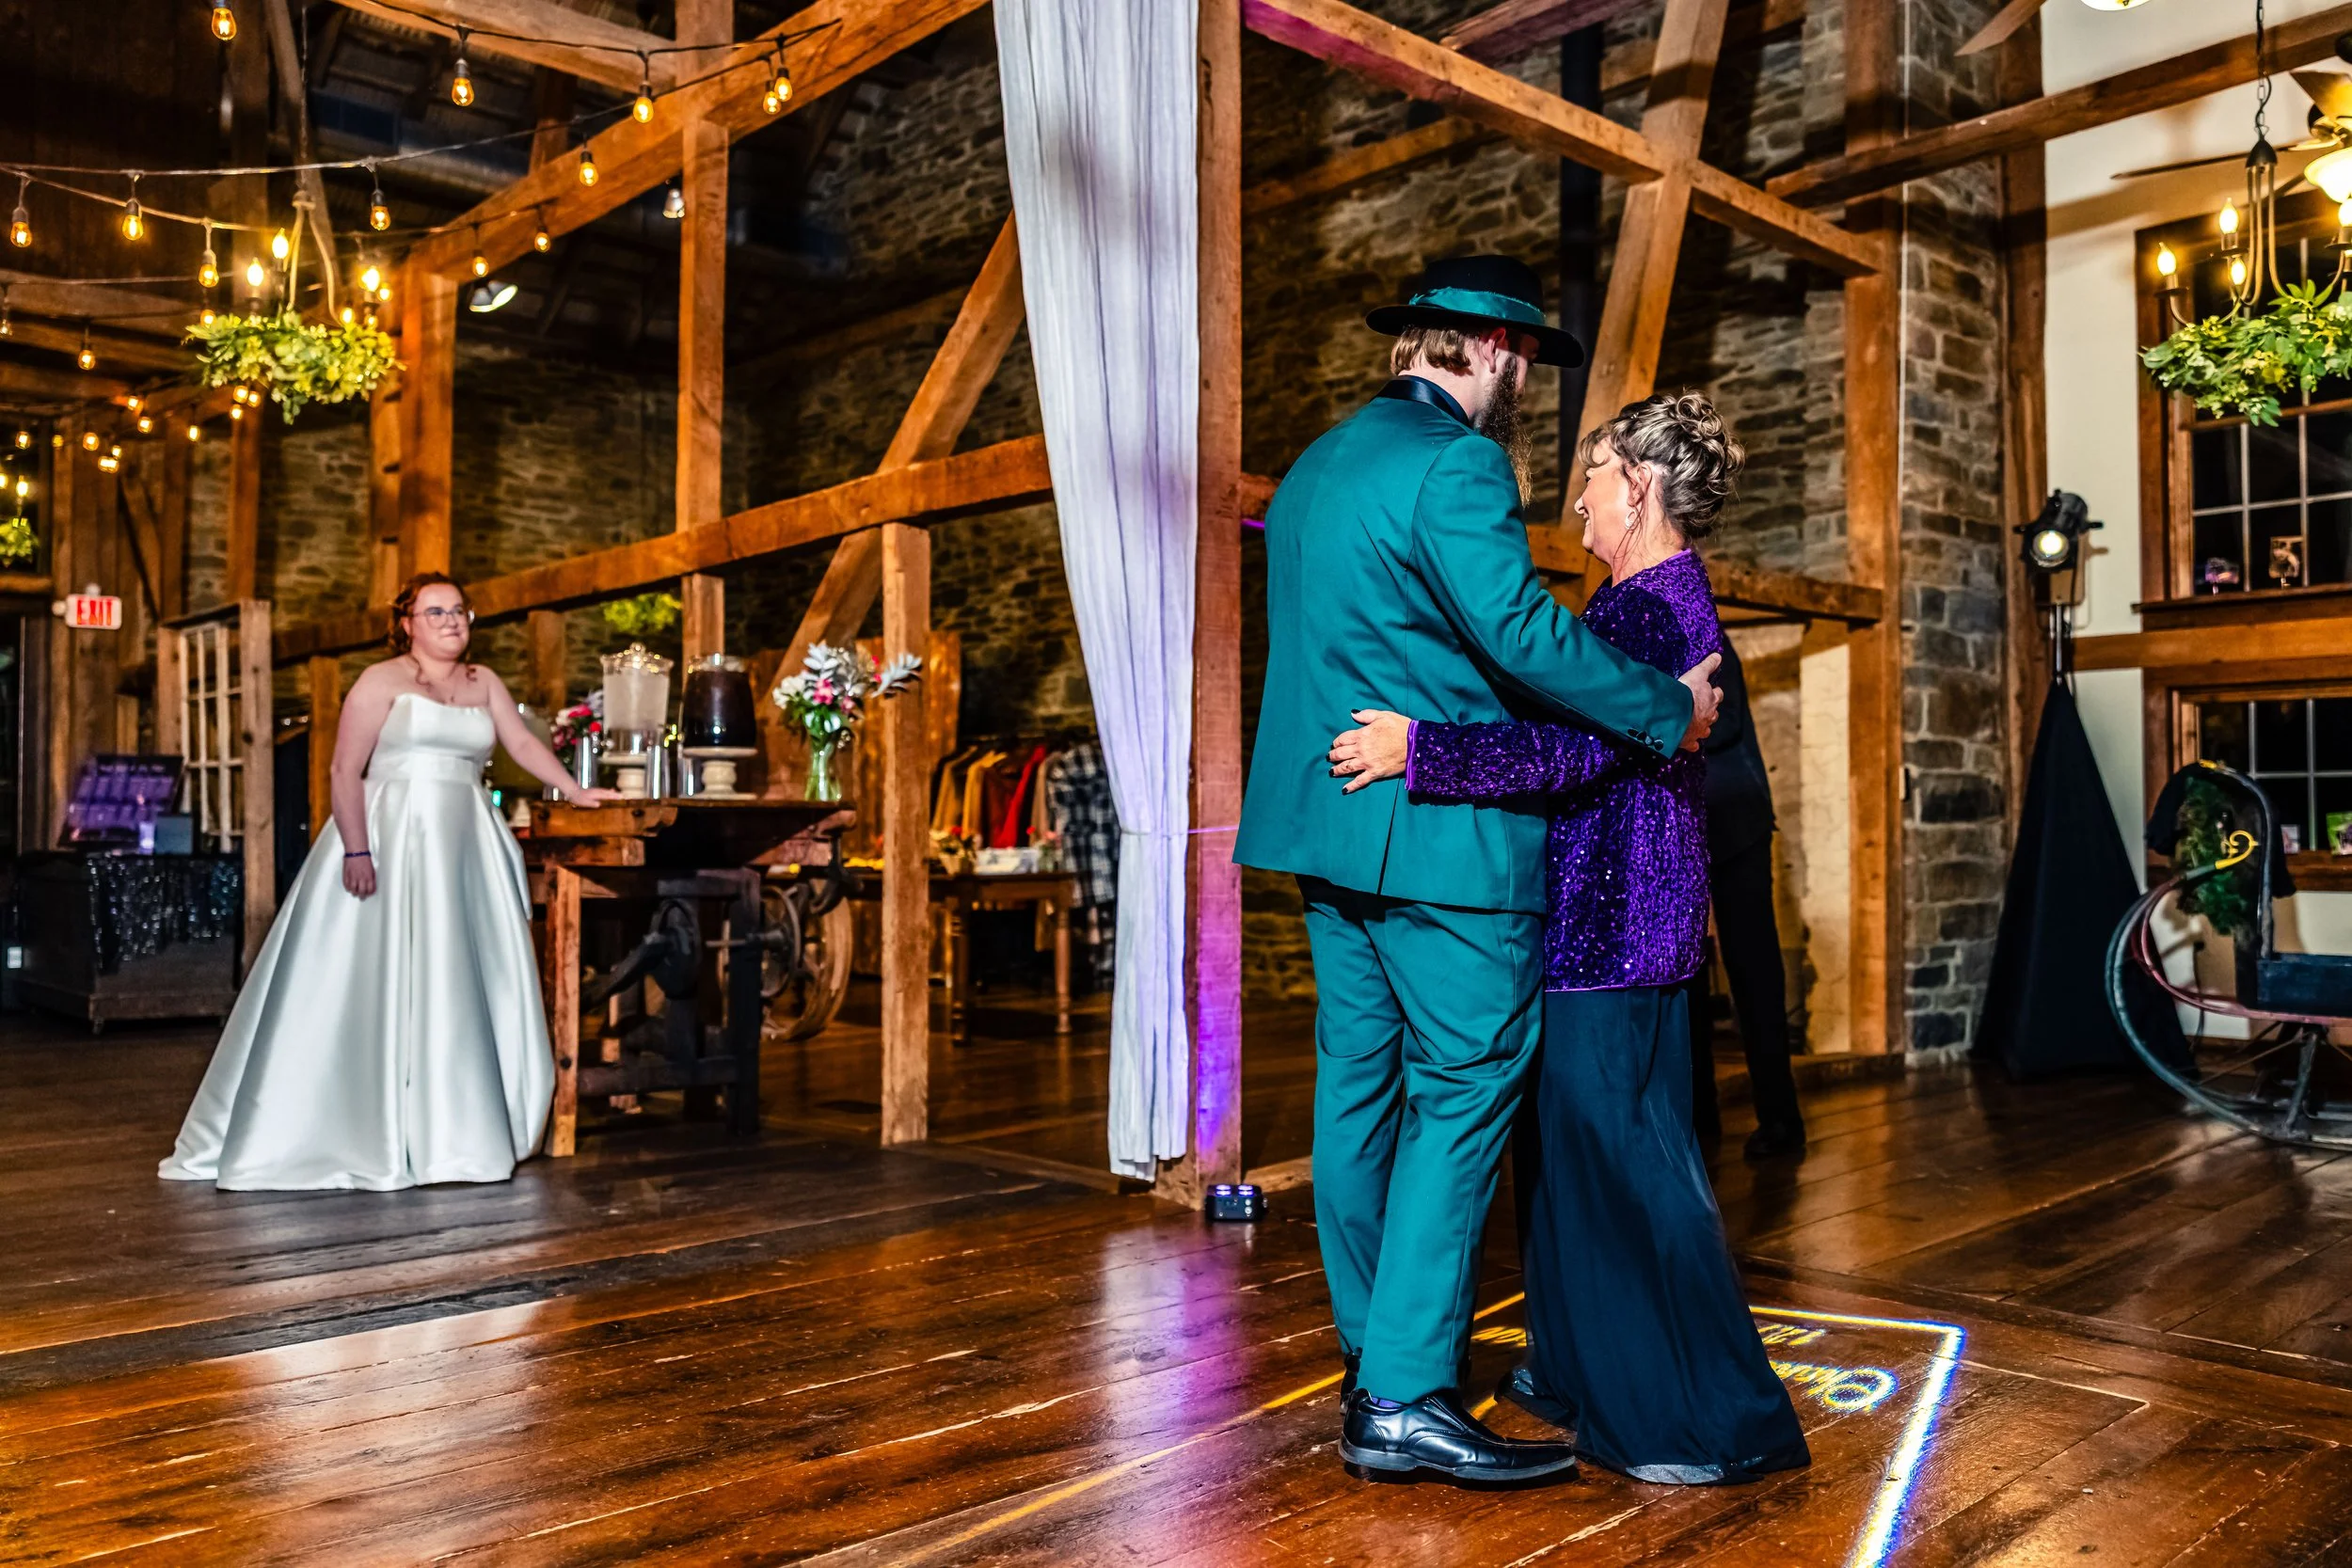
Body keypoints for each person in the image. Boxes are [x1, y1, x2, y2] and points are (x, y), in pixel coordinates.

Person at [1233, 255, 1722, 1484]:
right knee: (1464, 1089)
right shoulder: (1456, 462)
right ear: (1498, 353)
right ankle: (1403, 1393)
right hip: (1440, 842)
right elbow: (1517, 630)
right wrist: (1662, 704)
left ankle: (1370, 1349)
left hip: (1323, 824)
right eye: (1521, 365)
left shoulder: (1314, 466)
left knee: (1357, 1090)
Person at [1329, 391, 1808, 1485]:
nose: (1577, 497)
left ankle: (1702, 1419)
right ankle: (1576, 1371)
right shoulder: (1649, 598)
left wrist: (1420, 747)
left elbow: (1564, 754)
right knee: (1574, 1167)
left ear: (1637, 486)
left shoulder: (1645, 609)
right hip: (1620, 924)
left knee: (1629, 1164)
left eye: (1591, 474)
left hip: (1614, 927)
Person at [161, 574, 616, 1191]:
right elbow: (345, 769)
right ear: (407, 622)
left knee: (455, 978)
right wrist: (356, 847)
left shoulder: (484, 684)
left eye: (459, 610)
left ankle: (458, 1124)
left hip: (465, 842)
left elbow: (518, 744)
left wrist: (577, 790)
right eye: (436, 611)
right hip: (391, 837)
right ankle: (359, 1126)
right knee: (376, 980)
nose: (452, 621)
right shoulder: (382, 682)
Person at [1686, 637, 1807, 1158]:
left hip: (1736, 820)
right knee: (1684, 972)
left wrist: (1652, 724)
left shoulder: (1702, 628)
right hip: (1683, 822)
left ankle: (1781, 1120)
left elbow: (1726, 721)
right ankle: (1698, 1115)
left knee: (1754, 970)